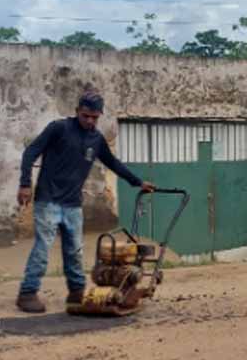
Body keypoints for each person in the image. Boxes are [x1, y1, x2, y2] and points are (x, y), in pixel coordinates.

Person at [16, 92, 155, 313]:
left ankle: (76, 292)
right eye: (85, 116)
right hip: (48, 199)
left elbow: (113, 163)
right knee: (43, 248)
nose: (90, 121)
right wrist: (25, 183)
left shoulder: (96, 139)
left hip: (73, 204)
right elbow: (31, 152)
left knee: (74, 250)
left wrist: (137, 182)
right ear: (77, 111)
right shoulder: (59, 128)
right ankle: (27, 293)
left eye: (94, 117)